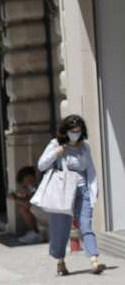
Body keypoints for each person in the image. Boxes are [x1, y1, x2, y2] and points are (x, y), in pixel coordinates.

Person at [38, 115, 106, 275]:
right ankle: (60, 262)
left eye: (78, 131)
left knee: (86, 225)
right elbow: (41, 165)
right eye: (72, 131)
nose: (75, 133)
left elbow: (90, 169)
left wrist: (93, 191)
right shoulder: (56, 144)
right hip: (62, 192)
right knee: (60, 229)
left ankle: (94, 260)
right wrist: (55, 153)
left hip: (82, 191)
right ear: (65, 131)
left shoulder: (84, 145)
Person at [8, 166, 44, 244]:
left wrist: (15, 198)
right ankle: (33, 231)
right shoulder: (35, 186)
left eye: (24, 185)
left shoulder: (39, 184)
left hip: (50, 213)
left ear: (28, 180)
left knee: (22, 206)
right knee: (22, 205)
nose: (25, 188)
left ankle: (35, 233)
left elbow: (27, 203)